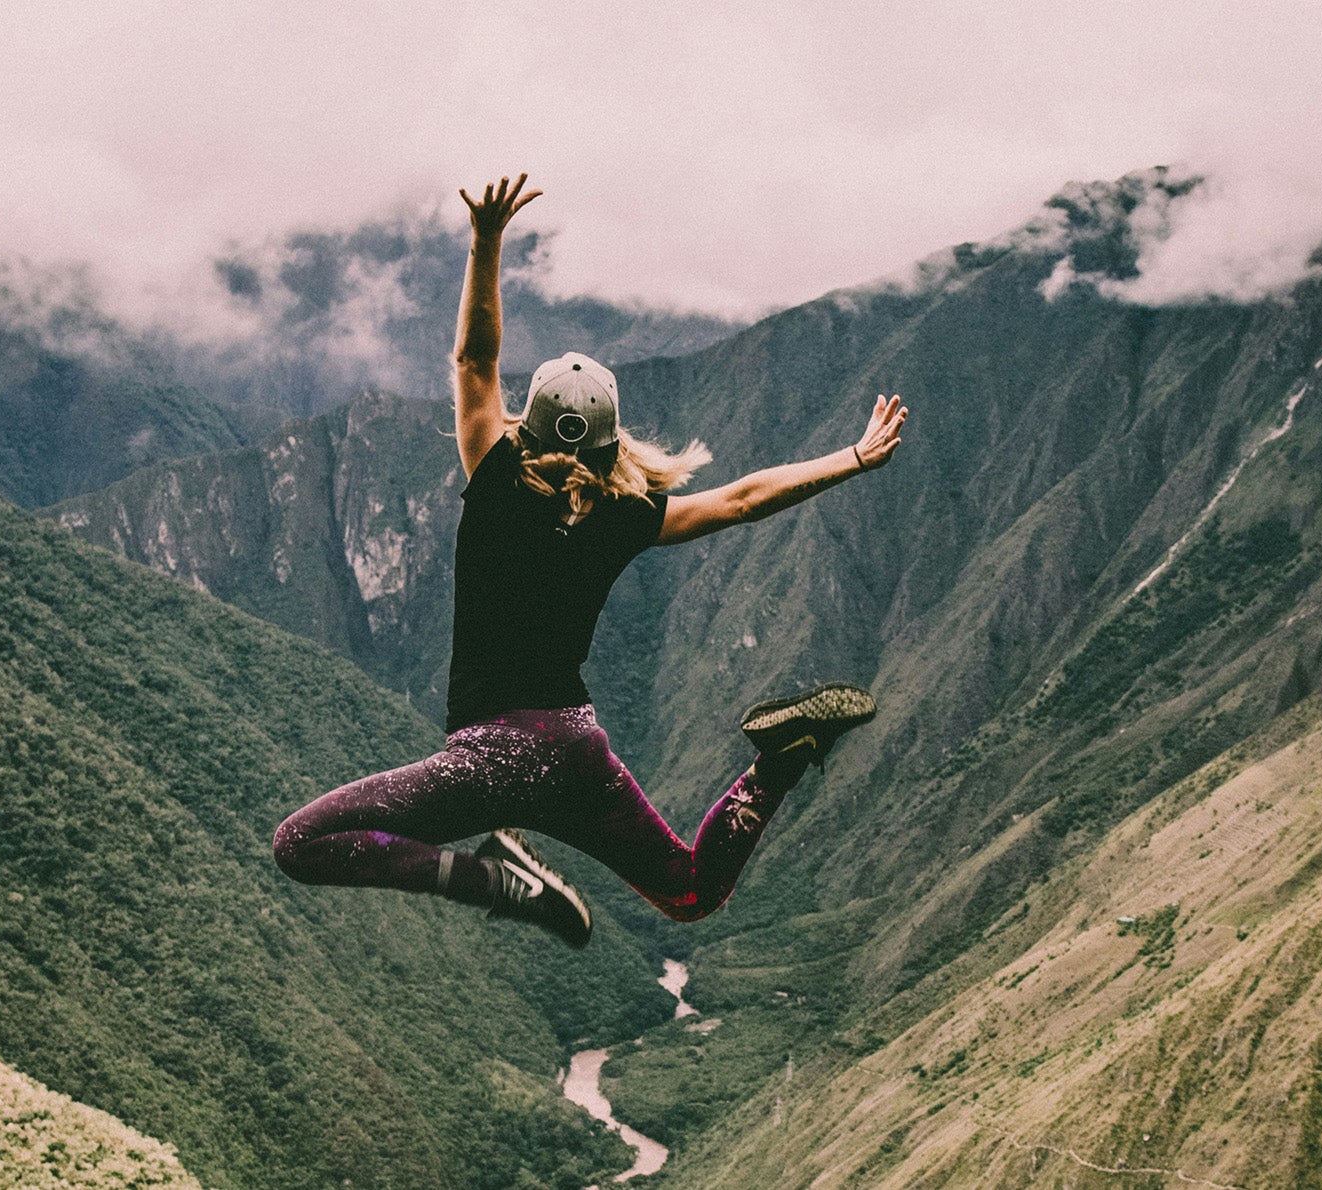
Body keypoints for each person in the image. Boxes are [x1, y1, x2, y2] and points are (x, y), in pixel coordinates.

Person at [271, 174, 908, 946]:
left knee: (301, 845)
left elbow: (475, 359)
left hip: (491, 758)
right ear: (612, 440)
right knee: (690, 891)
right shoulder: (625, 513)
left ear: (527, 426)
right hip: (576, 750)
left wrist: (486, 239)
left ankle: (492, 881)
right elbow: (741, 500)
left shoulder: (498, 477)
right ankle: (776, 764)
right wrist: (852, 457)